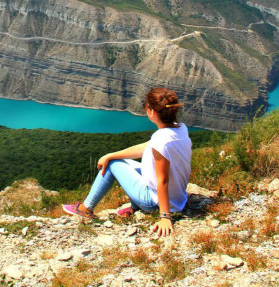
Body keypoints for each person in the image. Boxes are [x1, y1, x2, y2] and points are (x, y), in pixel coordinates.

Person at [62, 87, 192, 237]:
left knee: (113, 165)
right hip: (179, 199)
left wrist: (165, 217)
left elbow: (162, 181)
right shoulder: (181, 129)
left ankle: (85, 209)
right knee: (118, 161)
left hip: (155, 202)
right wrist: (111, 154)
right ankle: (135, 208)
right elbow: (146, 148)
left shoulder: (161, 140)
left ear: (152, 112)